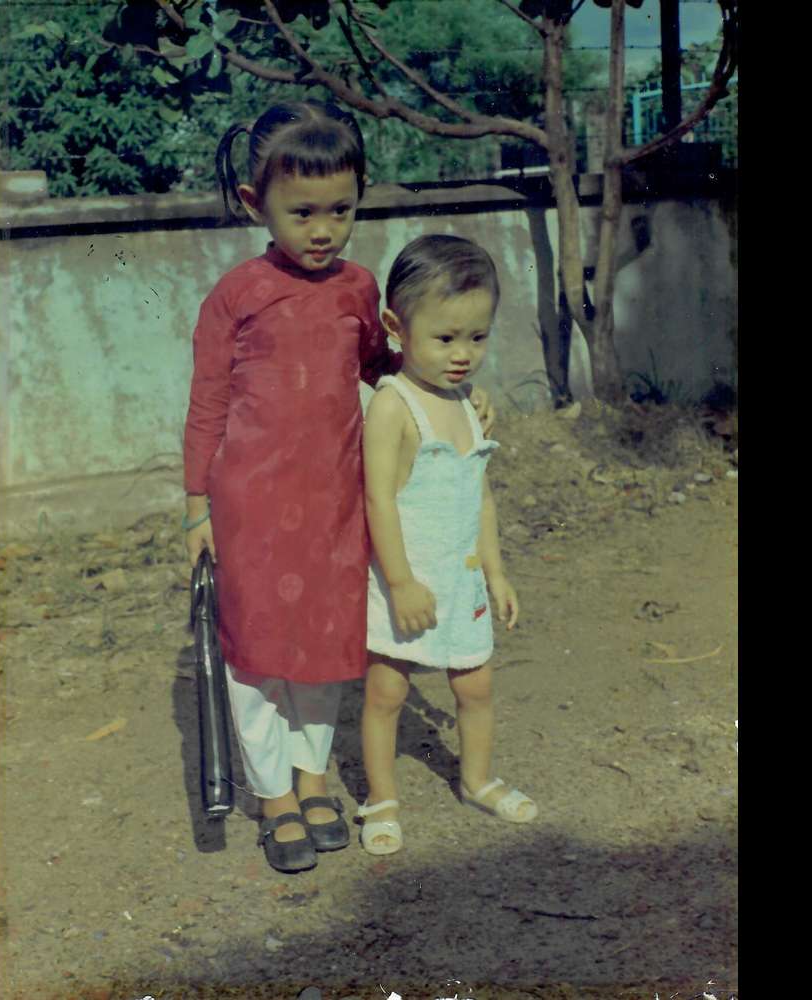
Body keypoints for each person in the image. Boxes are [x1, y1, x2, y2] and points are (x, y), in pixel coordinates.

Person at [182, 102, 494, 874]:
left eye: (341, 210)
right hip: (250, 511)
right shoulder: (235, 295)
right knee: (258, 654)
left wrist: (458, 398)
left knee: (326, 647)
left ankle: (314, 778)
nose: (323, 230)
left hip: (335, 507)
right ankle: (273, 797)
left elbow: (387, 369)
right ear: (254, 204)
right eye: (302, 213)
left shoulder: (359, 288)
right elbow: (206, 405)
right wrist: (196, 508)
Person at [356, 235, 537, 856]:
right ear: (396, 328)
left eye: (477, 337)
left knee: (475, 688)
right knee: (387, 693)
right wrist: (401, 583)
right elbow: (378, 501)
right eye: (445, 338)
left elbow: (478, 496)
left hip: (461, 581)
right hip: (405, 580)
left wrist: (497, 573)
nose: (463, 355)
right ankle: (382, 797)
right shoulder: (393, 406)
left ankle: (477, 779)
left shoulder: (467, 403)